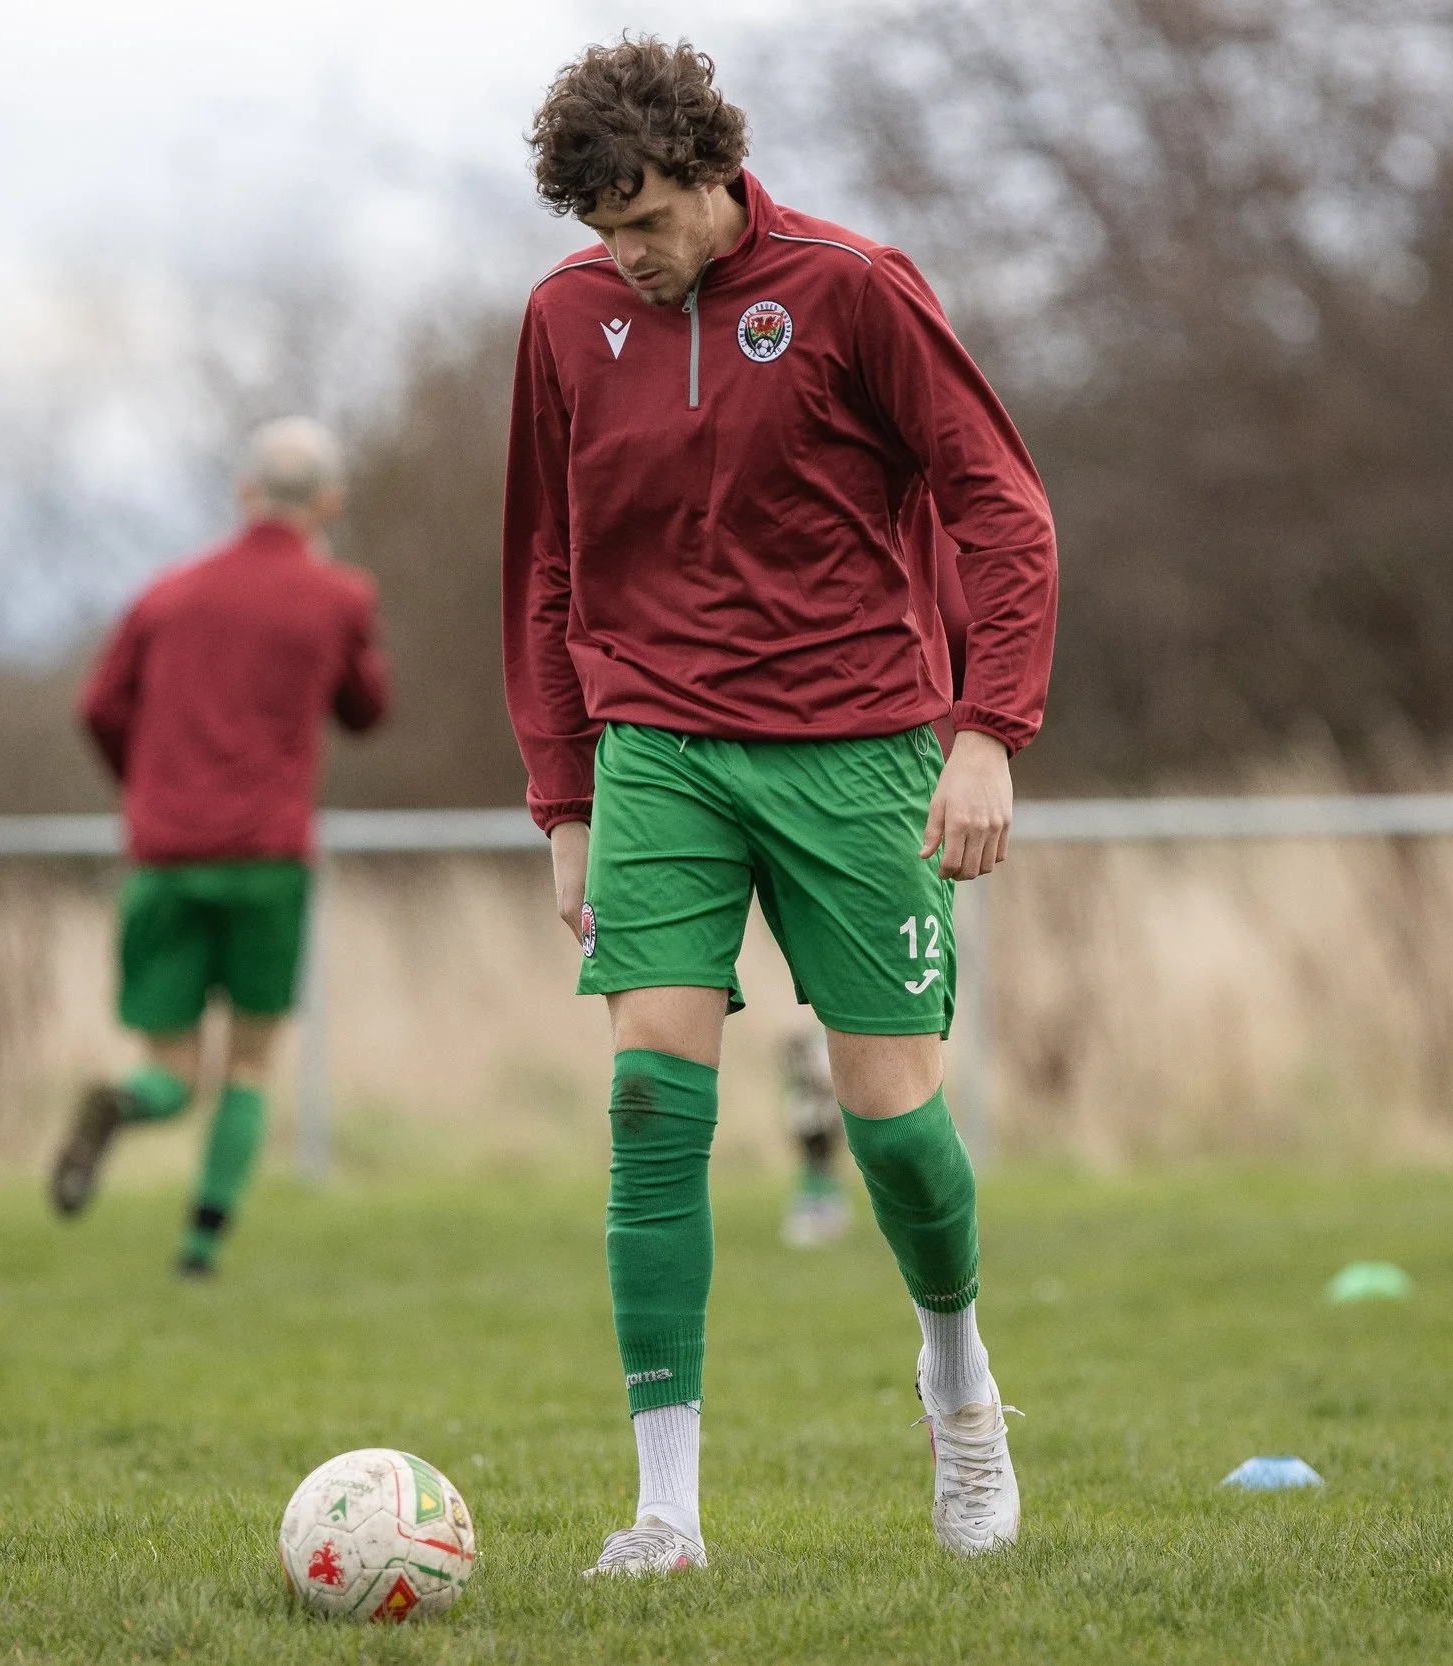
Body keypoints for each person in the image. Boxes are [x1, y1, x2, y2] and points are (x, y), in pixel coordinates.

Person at [503, 38, 1058, 1572]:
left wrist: (987, 730)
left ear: (714, 173)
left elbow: (1000, 506)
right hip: (657, 751)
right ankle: (664, 1508)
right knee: (645, 1102)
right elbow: (546, 572)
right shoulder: (564, 321)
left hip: (858, 743)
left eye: (650, 219)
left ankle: (958, 1384)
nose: (629, 254)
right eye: (601, 229)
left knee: (892, 1123)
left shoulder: (855, 287)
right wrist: (565, 800)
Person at [52, 417, 389, 1277]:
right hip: (268, 861)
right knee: (249, 1060)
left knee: (171, 1067)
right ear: (329, 503)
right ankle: (200, 1245)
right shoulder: (339, 599)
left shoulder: (165, 595)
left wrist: (151, 787)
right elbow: (366, 710)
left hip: (164, 857)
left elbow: (98, 706)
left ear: (243, 494)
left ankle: (125, 1104)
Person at [778, 1025, 852, 1248]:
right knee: (812, 1158)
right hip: (809, 1112)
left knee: (822, 1157)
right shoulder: (814, 1035)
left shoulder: (830, 1035)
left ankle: (826, 1206)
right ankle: (816, 1204)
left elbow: (827, 1075)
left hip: (825, 1112)